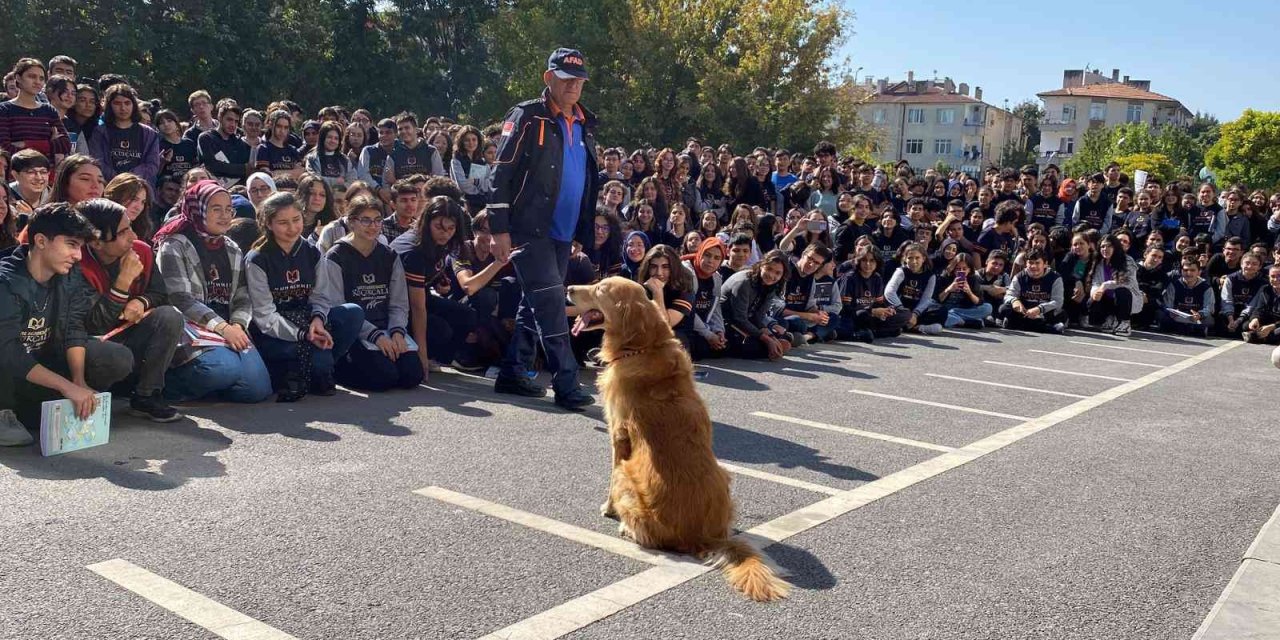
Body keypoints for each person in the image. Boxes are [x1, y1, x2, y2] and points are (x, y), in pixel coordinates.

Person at [486, 48, 599, 410]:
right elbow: (500, 174)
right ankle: (567, 383)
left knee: (533, 302)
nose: (573, 86)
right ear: (548, 78)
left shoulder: (585, 123)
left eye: (579, 80)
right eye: (566, 79)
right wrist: (499, 230)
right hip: (528, 229)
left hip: (563, 233)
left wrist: (582, 229)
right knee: (550, 305)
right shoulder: (526, 116)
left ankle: (512, 372)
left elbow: (587, 180)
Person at [0, 204, 134, 445]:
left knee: (114, 357)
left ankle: (40, 409)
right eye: (71, 245)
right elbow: (9, 352)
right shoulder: (5, 282)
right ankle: (5, 413)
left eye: (80, 247)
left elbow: (74, 327)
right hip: (8, 368)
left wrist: (77, 380)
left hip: (40, 364)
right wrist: (66, 386)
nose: (78, 255)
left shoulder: (69, 274)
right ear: (41, 241)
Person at [154, 180, 273, 403]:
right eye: (216, 209)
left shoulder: (231, 247)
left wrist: (237, 325)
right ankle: (165, 386)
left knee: (257, 389)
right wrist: (222, 327)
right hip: (192, 328)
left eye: (229, 209)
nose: (225, 215)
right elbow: (179, 299)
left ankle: (214, 381)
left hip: (229, 328)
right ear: (198, 209)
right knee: (223, 369)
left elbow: (242, 295)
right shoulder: (174, 244)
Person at [244, 192, 364, 402]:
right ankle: (305, 366)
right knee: (316, 367)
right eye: (283, 222)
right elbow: (264, 316)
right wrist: (303, 335)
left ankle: (318, 362)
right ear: (268, 224)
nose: (292, 228)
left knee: (352, 313)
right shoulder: (257, 259)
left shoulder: (311, 251)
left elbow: (320, 296)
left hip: (308, 321)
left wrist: (318, 321)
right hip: (276, 331)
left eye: (296, 220)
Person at [74, 198, 185, 421]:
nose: (133, 237)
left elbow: (161, 294)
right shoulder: (77, 263)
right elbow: (94, 324)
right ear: (96, 242)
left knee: (170, 316)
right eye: (123, 232)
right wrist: (123, 283)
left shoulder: (141, 251)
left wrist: (141, 302)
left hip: (129, 334)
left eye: (130, 227)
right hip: (88, 345)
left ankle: (147, 395)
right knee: (118, 357)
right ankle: (94, 392)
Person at [313, 196, 422, 391]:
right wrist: (375, 335)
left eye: (377, 220)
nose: (373, 226)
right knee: (384, 378)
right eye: (365, 220)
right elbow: (337, 304)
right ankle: (338, 369)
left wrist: (398, 331)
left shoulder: (389, 255)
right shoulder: (336, 256)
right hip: (359, 332)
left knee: (412, 376)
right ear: (352, 222)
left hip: (386, 327)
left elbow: (399, 302)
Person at [391, 194, 480, 374]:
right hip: (396, 304)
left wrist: (439, 279)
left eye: (451, 228)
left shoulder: (442, 241)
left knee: (467, 315)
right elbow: (417, 308)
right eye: (439, 227)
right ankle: (420, 356)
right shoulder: (414, 250)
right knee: (441, 330)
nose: (445, 233)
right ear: (427, 222)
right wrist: (421, 354)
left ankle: (441, 357)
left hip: (420, 294)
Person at [719, 249, 794, 360]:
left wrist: (770, 336)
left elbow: (758, 316)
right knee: (755, 345)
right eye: (769, 269)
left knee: (778, 332)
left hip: (744, 321)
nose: (772, 275)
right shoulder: (743, 282)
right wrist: (767, 339)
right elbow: (739, 318)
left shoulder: (772, 285)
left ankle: (774, 345)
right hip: (726, 323)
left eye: (778, 273)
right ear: (761, 265)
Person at [87, 83, 161, 185]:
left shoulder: (149, 133)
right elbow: (97, 162)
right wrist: (118, 179)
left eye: (127, 103)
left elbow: (152, 165)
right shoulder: (100, 132)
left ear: (133, 105)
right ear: (109, 105)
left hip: (139, 188)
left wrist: (130, 178)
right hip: (108, 187)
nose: (123, 108)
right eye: (117, 103)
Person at [0, 59, 71, 162]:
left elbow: (65, 144)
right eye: (32, 76)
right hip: (16, 173)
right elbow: (5, 148)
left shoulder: (48, 110)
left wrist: (26, 144)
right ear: (18, 78)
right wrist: (48, 145)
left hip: (46, 174)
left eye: (41, 78)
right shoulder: (4, 110)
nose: (37, 82)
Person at [834, 247, 907, 342]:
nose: (868, 264)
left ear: (877, 262)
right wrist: (871, 311)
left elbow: (879, 304)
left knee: (904, 314)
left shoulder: (877, 278)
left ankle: (871, 332)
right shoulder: (849, 278)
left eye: (872, 261)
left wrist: (888, 310)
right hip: (853, 315)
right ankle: (866, 333)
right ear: (859, 261)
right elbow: (845, 309)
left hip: (871, 316)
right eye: (864, 260)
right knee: (861, 315)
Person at [997, 248, 1065, 333]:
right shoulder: (1019, 277)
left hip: (1043, 312)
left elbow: (1057, 301)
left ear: (1045, 264)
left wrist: (1039, 309)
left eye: (1037, 263)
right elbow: (1009, 294)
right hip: (1024, 311)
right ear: (1026, 264)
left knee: (1061, 313)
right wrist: (1014, 301)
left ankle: (1017, 325)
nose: (1033, 266)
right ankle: (1047, 328)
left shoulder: (1055, 278)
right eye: (1030, 263)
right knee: (1004, 308)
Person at [682, 237, 727, 359]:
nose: (710, 261)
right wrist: (708, 334)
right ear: (700, 253)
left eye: (717, 258)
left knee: (723, 347)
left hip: (705, 325)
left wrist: (719, 331)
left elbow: (715, 306)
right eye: (707, 255)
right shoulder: (686, 272)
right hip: (686, 323)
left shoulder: (716, 277)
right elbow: (688, 309)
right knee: (700, 349)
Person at [1086, 234, 1141, 336]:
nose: (1105, 249)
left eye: (1109, 246)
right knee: (1092, 301)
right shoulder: (1099, 262)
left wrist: (1105, 285)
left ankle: (1125, 322)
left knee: (1122, 291)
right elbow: (1096, 282)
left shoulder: (1127, 260)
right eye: (1103, 246)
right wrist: (1095, 293)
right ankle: (1109, 318)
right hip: (1108, 299)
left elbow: (1126, 282)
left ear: (1116, 247)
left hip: (1128, 299)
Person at [885, 242, 944, 335]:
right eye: (910, 258)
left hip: (916, 310)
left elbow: (926, 298)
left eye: (917, 258)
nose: (914, 261)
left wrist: (915, 314)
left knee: (941, 311)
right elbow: (889, 292)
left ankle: (916, 327)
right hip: (900, 308)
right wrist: (904, 312)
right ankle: (905, 325)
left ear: (923, 258)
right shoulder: (901, 271)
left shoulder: (930, 276)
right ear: (905, 259)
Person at [197, 102, 253, 187]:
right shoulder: (206, 138)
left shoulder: (239, 143)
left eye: (236, 121)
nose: (233, 124)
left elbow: (249, 168)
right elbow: (213, 166)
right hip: (214, 189)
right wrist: (242, 168)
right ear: (220, 118)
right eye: (229, 119)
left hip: (239, 190)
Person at [1160, 255, 1215, 337]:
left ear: (1199, 272)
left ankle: (1194, 329)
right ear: (1181, 271)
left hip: (1196, 317)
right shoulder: (1174, 285)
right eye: (1185, 270)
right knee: (1161, 315)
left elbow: (1209, 307)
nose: (1189, 273)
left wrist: (1200, 314)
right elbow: (1168, 304)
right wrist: (1173, 312)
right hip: (1178, 315)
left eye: (1192, 270)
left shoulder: (1206, 287)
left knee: (1209, 320)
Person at [935, 252, 992, 329]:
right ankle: (967, 322)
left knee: (988, 308)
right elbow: (937, 299)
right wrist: (949, 289)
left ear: (969, 269)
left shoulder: (973, 279)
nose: (961, 271)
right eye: (958, 269)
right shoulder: (945, 276)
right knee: (937, 314)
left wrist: (969, 292)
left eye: (964, 269)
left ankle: (956, 319)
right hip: (946, 307)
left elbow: (979, 302)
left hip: (963, 309)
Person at [451, 125, 490, 214]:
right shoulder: (457, 160)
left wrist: (476, 182)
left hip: (482, 203)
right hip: (464, 203)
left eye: (474, 139)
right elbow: (463, 185)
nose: (471, 143)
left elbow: (488, 184)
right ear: (462, 142)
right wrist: (478, 188)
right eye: (467, 140)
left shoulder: (481, 161)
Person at [304, 121, 356, 188]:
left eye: (336, 138)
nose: (333, 141)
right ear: (322, 138)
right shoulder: (312, 159)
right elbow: (316, 180)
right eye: (329, 137)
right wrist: (337, 181)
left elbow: (352, 181)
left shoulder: (345, 160)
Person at [1243, 265, 1280, 344]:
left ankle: (1262, 337)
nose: (1276, 279)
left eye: (1279, 276)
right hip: (1270, 319)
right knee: (1247, 325)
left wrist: (1272, 327)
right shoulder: (1266, 289)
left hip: (1277, 324)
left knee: (1276, 332)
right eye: (1272, 276)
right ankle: (1262, 336)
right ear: (1268, 277)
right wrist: (1255, 319)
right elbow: (1260, 309)